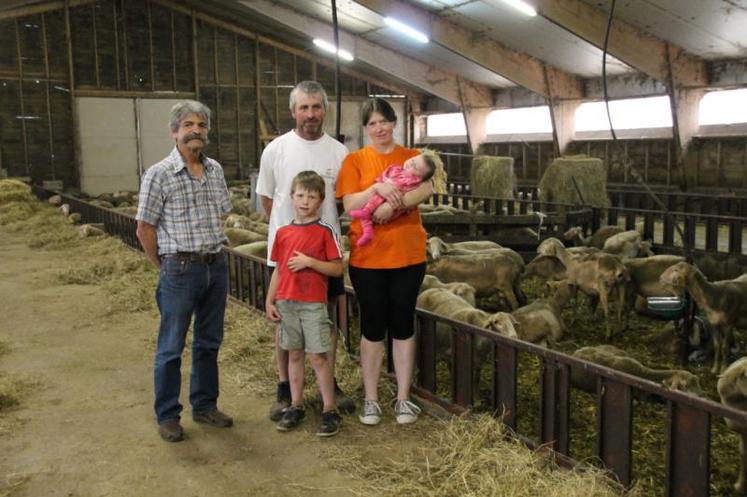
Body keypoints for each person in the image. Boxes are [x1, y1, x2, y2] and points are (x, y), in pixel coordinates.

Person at [336, 98, 440, 426]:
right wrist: (379, 187)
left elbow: (427, 188)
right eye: (372, 124)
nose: (379, 128)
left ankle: (403, 398)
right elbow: (350, 201)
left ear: (394, 122)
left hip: (408, 255)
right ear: (365, 129)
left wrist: (391, 207)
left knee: (403, 325)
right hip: (368, 260)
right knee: (371, 326)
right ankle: (371, 398)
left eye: (384, 121)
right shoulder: (355, 160)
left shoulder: (412, 157)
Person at [136, 100, 234, 442]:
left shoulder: (215, 170)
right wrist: (163, 267)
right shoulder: (159, 174)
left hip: (215, 265)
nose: (196, 130)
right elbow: (144, 228)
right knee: (171, 346)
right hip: (179, 269)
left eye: (201, 125)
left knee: (209, 342)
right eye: (188, 124)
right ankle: (167, 415)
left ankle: (205, 405)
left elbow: (223, 211)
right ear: (174, 131)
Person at [256, 81, 353, 420]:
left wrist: (317, 238)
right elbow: (267, 199)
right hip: (285, 254)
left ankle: (330, 382)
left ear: (324, 110)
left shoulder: (339, 153)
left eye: (316, 107)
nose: (310, 114)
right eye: (304, 107)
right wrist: (290, 237)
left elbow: (342, 201)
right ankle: (285, 387)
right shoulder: (276, 149)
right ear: (292, 111)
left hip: (324, 255)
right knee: (285, 321)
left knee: (325, 319)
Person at [265, 171, 344, 437]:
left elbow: (336, 269)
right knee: (294, 353)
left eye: (311, 196)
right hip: (287, 302)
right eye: (300, 195)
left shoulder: (325, 231)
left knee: (318, 356)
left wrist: (310, 262)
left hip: (312, 303)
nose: (305, 201)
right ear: (291, 197)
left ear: (321, 200)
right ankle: (296, 404)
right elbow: (277, 269)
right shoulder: (283, 232)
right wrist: (270, 299)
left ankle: (329, 408)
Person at [348, 150, 445, 247]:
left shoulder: (411, 162)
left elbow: (428, 188)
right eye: (412, 160)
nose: (411, 163)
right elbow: (348, 205)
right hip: (362, 236)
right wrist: (376, 187)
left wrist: (392, 205)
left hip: (398, 238)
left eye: (414, 166)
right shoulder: (356, 159)